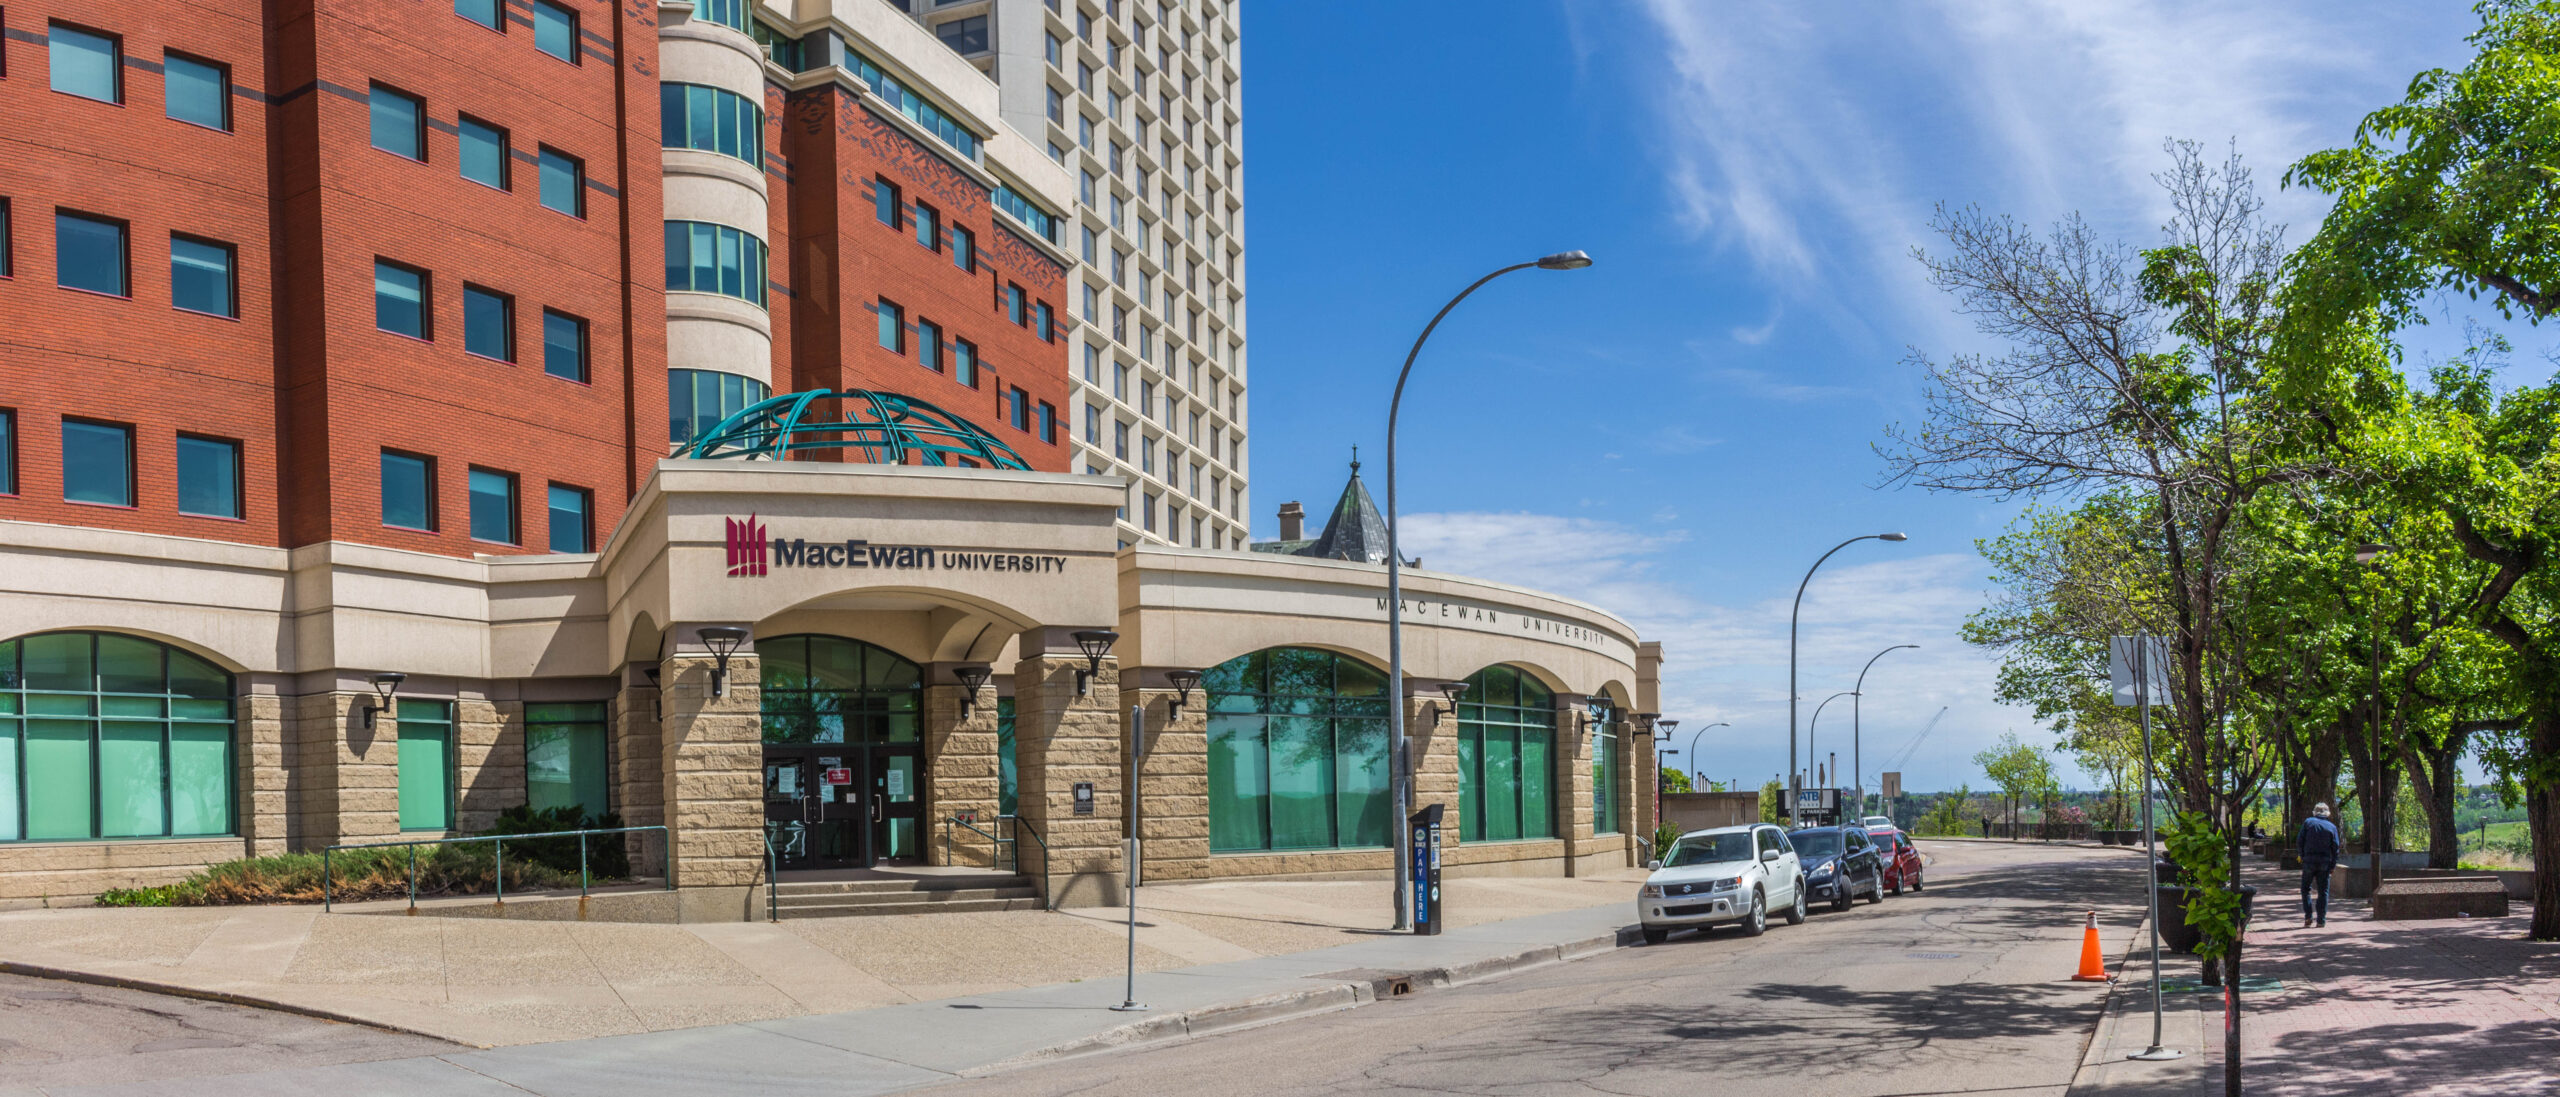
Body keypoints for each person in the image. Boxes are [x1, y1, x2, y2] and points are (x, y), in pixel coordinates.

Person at [2298, 803, 2342, 928]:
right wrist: (2333, 865)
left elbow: (2300, 840)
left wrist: (2302, 856)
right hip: (2325, 862)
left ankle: (2308, 916)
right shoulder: (2332, 827)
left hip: (2309, 861)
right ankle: (2321, 920)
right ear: (2327, 814)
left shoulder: (2308, 822)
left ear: (2315, 812)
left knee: (2305, 889)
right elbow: (2335, 848)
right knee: (2323, 891)